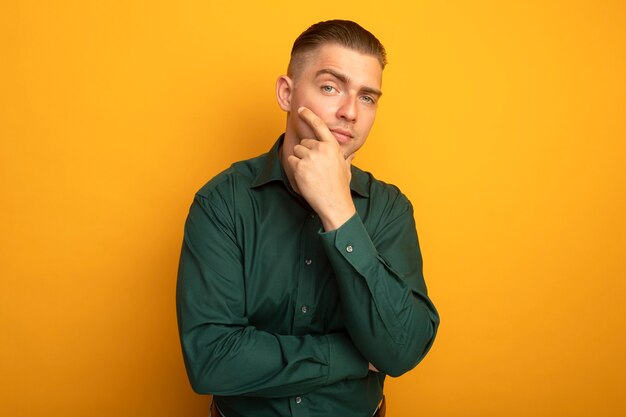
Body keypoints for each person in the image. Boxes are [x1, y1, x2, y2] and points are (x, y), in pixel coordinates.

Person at [176, 19, 439, 417]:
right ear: (287, 93)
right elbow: (212, 359)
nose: (350, 112)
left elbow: (401, 351)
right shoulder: (222, 202)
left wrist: (339, 210)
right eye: (331, 87)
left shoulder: (389, 209)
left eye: (367, 97)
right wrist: (351, 358)